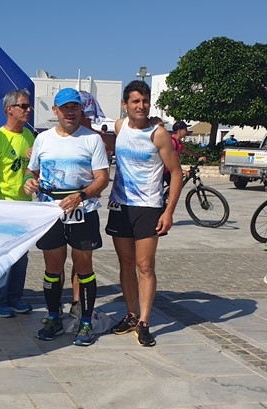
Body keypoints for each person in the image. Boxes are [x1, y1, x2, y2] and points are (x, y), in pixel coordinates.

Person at [23, 88, 109, 345]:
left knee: (84, 267)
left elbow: (102, 178)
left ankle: (86, 322)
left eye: (75, 107)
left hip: (83, 209)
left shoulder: (92, 139)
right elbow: (31, 171)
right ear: (55, 111)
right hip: (51, 210)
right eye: (65, 108)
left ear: (81, 109)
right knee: (52, 267)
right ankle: (53, 318)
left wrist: (81, 196)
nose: (70, 112)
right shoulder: (43, 139)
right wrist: (29, 181)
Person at [106, 80, 183, 347]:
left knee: (145, 266)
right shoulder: (119, 127)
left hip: (148, 207)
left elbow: (177, 173)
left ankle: (144, 322)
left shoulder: (158, 134)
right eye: (136, 101)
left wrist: (168, 211)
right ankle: (131, 314)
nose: (141, 106)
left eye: (145, 101)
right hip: (120, 205)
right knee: (126, 264)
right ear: (125, 104)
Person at [0, 89, 34, 318]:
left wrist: (32, 178)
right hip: (5, 207)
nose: (28, 110)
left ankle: (15, 298)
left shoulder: (29, 136)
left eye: (28, 105)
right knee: (3, 258)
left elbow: (32, 170)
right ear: (9, 109)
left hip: (25, 207)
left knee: (21, 257)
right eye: (23, 106)